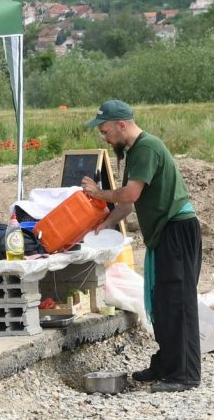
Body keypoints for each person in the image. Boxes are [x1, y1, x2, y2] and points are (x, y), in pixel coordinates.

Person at [79, 99, 200, 392]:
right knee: (161, 301)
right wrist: (105, 224)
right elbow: (130, 203)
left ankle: (184, 374)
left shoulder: (146, 147)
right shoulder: (134, 152)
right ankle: (166, 364)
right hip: (164, 233)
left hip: (176, 230)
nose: (104, 138)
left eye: (105, 131)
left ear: (122, 124)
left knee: (177, 303)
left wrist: (98, 193)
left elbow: (128, 192)